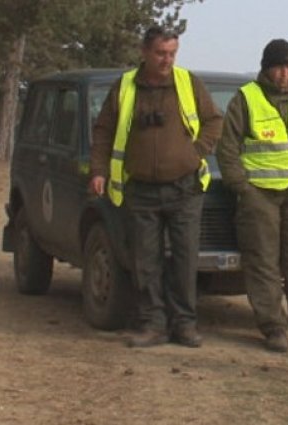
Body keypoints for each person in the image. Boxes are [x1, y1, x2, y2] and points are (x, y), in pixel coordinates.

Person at [90, 26, 223, 348]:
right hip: (140, 189)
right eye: (161, 53)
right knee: (145, 262)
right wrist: (99, 171)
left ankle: (185, 326)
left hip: (184, 188)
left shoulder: (188, 83)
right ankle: (152, 325)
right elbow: (104, 130)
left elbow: (214, 120)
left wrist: (195, 152)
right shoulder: (124, 87)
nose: (167, 60)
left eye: (172, 53)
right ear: (144, 52)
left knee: (184, 260)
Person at [217, 39, 288, 353]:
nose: (285, 73)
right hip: (260, 196)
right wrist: (244, 188)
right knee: (263, 263)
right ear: (266, 67)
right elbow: (227, 148)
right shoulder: (246, 99)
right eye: (279, 66)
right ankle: (274, 329)